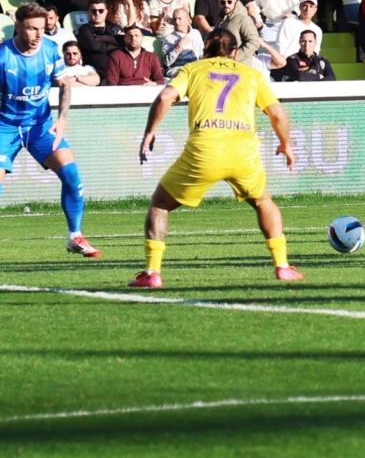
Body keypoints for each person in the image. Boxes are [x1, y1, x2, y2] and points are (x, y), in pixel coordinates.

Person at [129, 28, 301, 287]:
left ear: (205, 49)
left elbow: (165, 96)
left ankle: (152, 272)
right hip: (242, 151)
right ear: (234, 52)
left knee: (160, 204)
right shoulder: (252, 74)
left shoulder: (192, 70)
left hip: (204, 150)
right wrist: (285, 144)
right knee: (263, 202)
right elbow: (277, 112)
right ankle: (282, 265)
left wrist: (150, 132)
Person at [0, 4, 96, 262]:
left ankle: (75, 236)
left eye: (41, 29)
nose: (38, 34)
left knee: (72, 176)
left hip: (40, 126)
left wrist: (62, 118)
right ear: (18, 27)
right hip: (4, 128)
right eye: (32, 28)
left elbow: (65, 85)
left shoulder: (51, 51)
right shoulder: (0, 56)